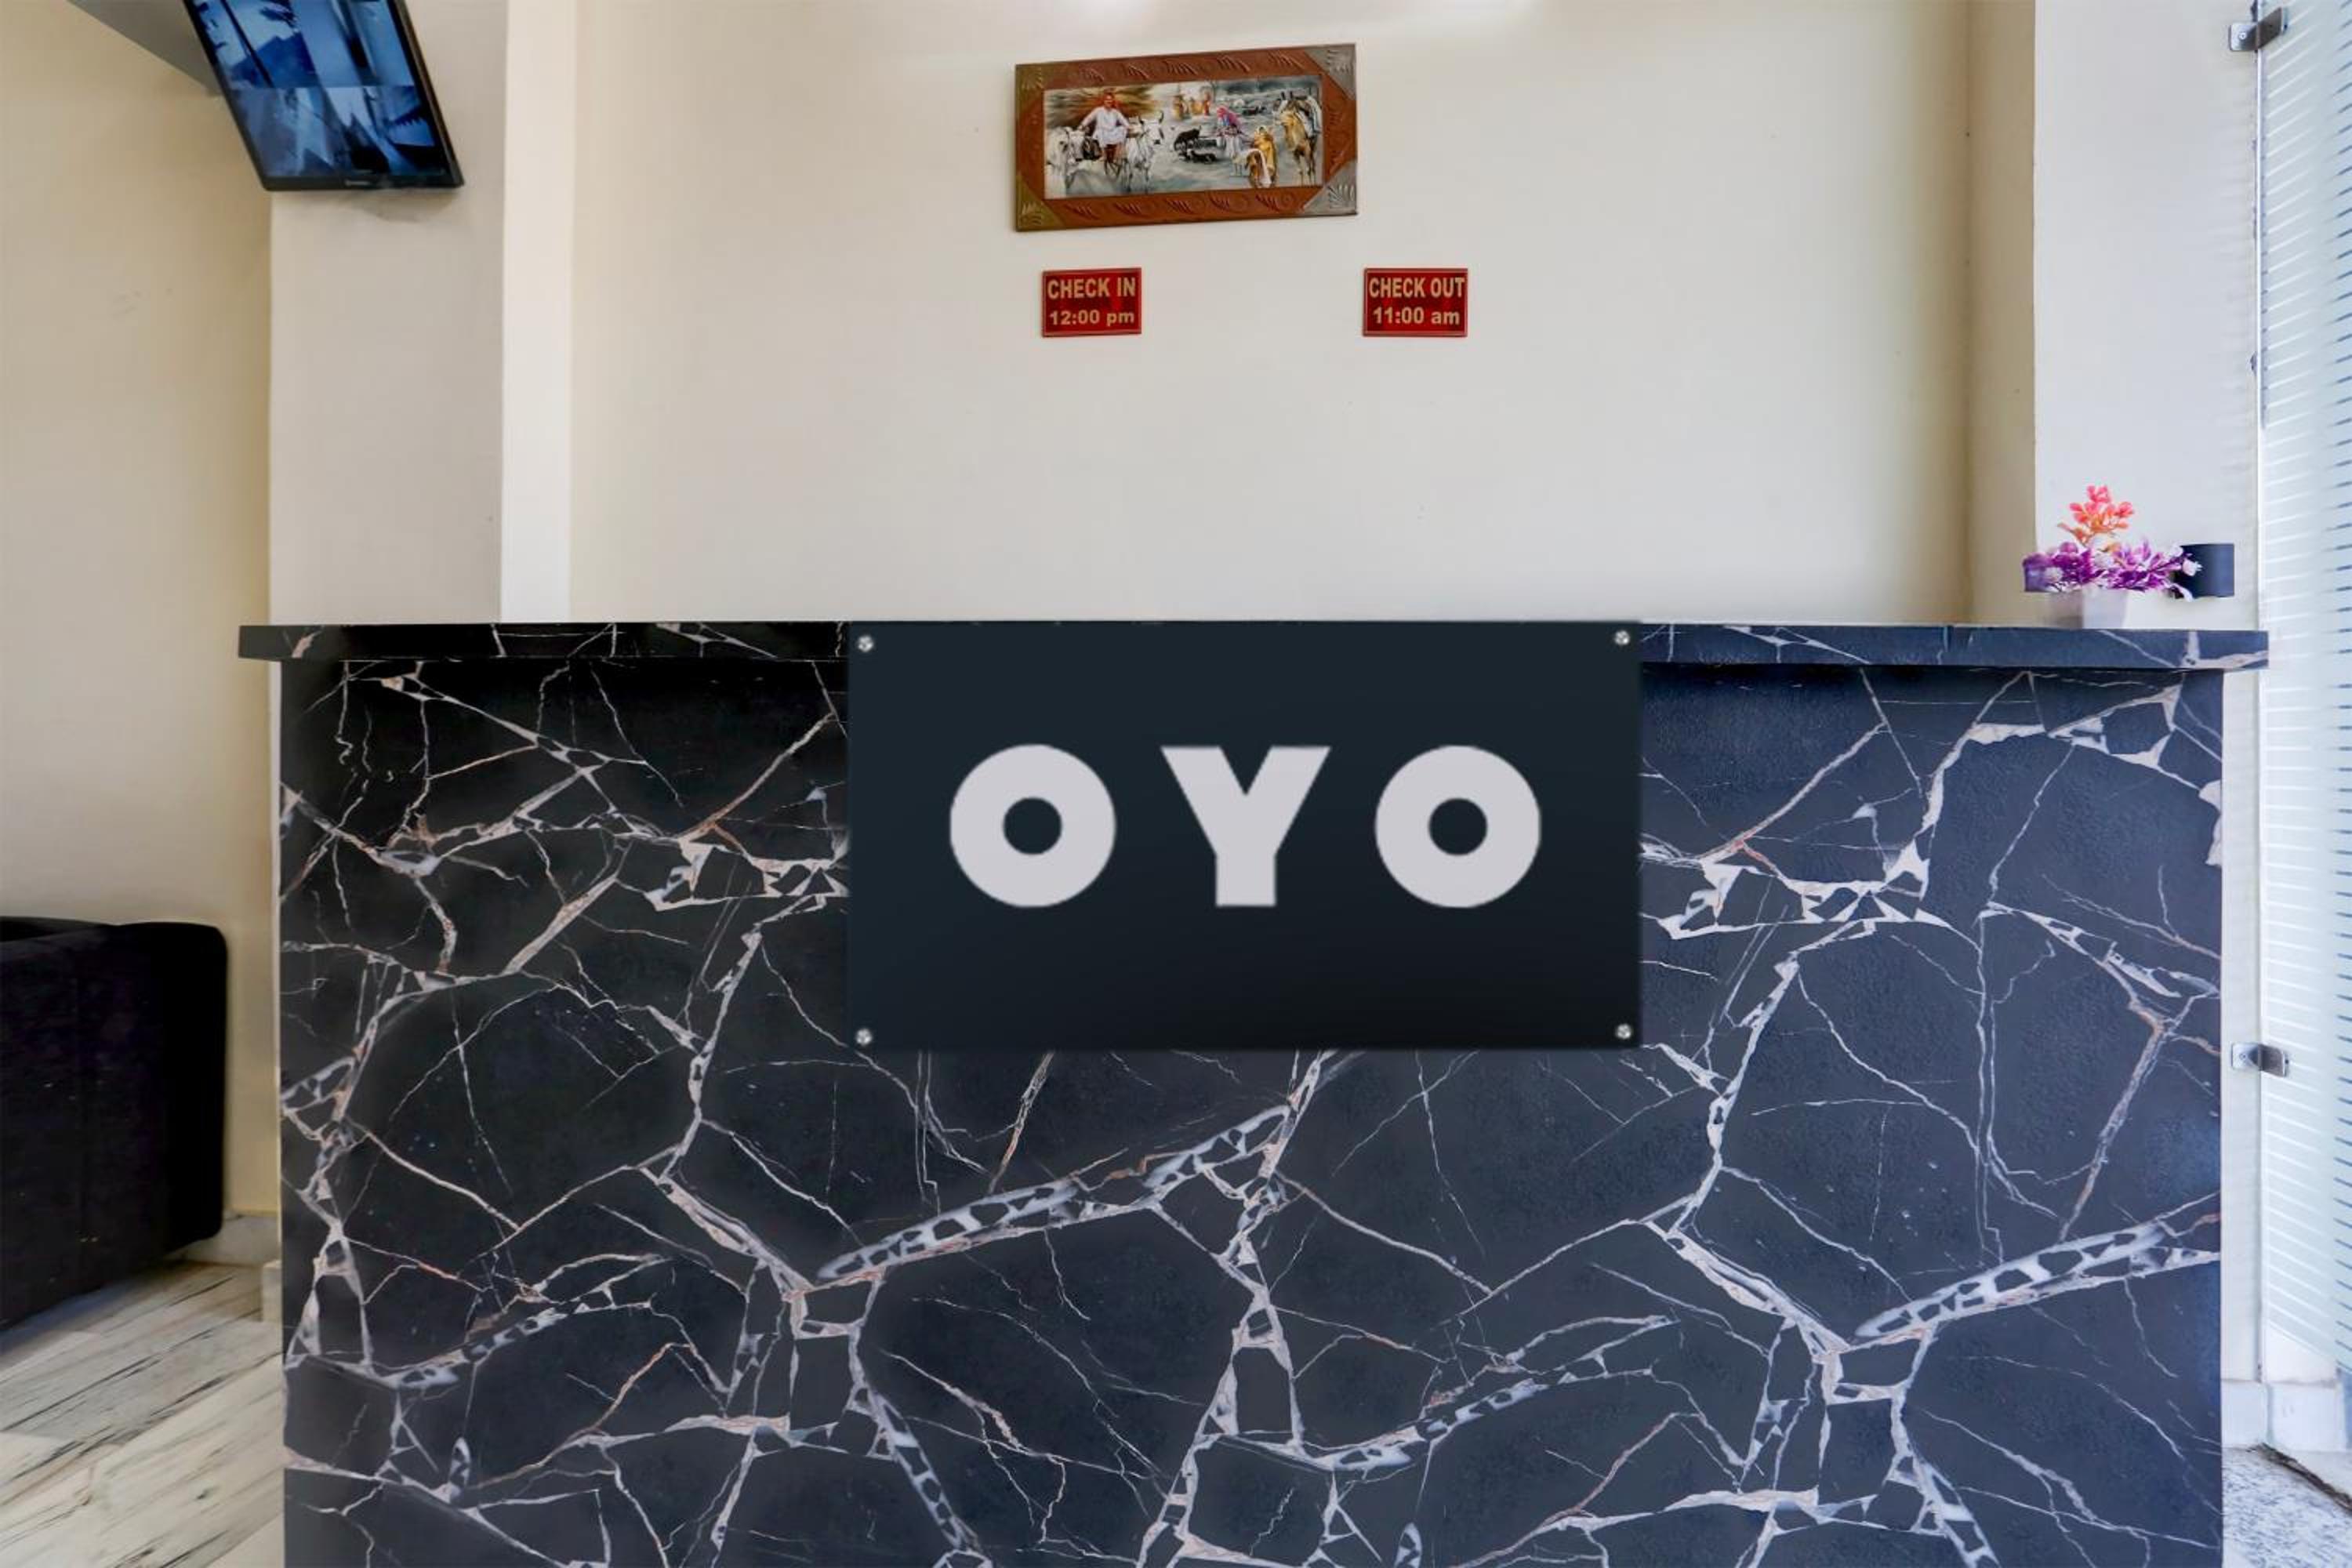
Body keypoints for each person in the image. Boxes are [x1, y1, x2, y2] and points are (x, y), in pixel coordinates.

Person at [1076, 92, 1131, 183]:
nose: (1109, 101)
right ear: (1104, 101)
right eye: (1107, 100)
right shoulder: (1098, 110)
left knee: (1122, 129)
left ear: (1112, 101)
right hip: (1101, 133)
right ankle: (1104, 155)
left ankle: (1117, 155)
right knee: (1101, 131)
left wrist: (1129, 127)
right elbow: (1089, 118)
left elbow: (1123, 121)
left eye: (1110, 100)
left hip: (1112, 134)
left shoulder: (1115, 112)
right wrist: (1082, 125)